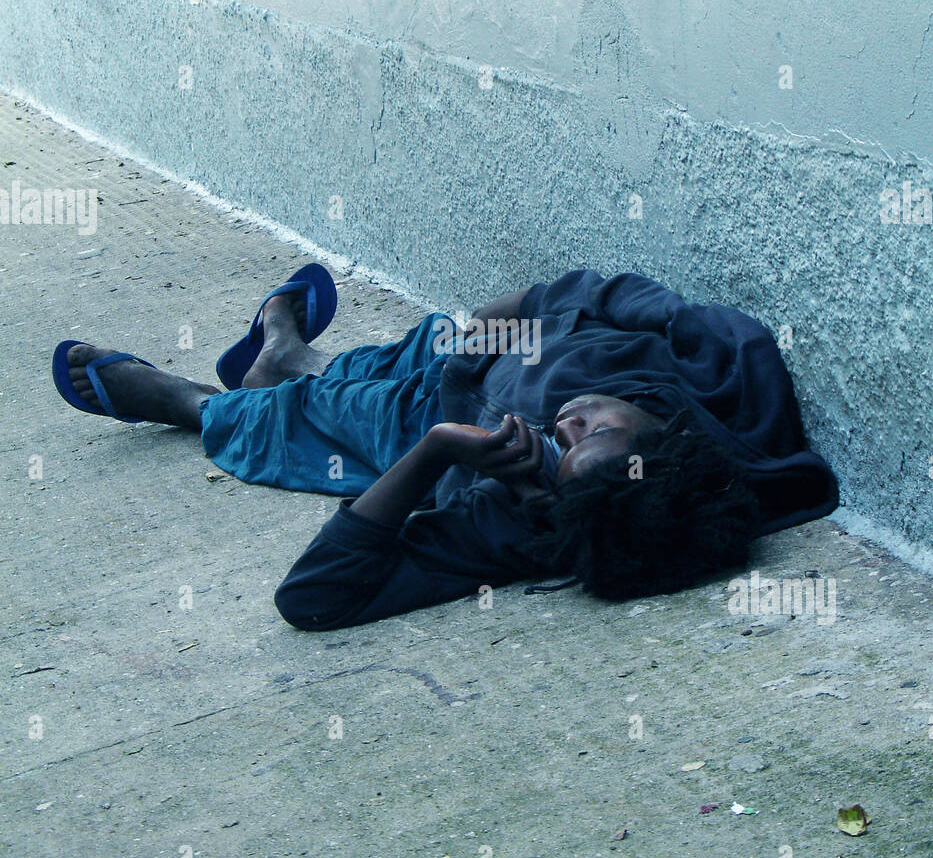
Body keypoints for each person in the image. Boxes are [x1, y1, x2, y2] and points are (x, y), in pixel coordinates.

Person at [53, 266, 838, 630]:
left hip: (424, 419)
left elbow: (315, 599)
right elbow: (591, 294)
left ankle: (189, 400)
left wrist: (433, 452)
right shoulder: (722, 380)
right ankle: (283, 352)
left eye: (562, 455)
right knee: (386, 360)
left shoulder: (526, 519)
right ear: (665, 440)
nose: (562, 425)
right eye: (592, 430)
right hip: (472, 349)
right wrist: (482, 331)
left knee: (309, 416)